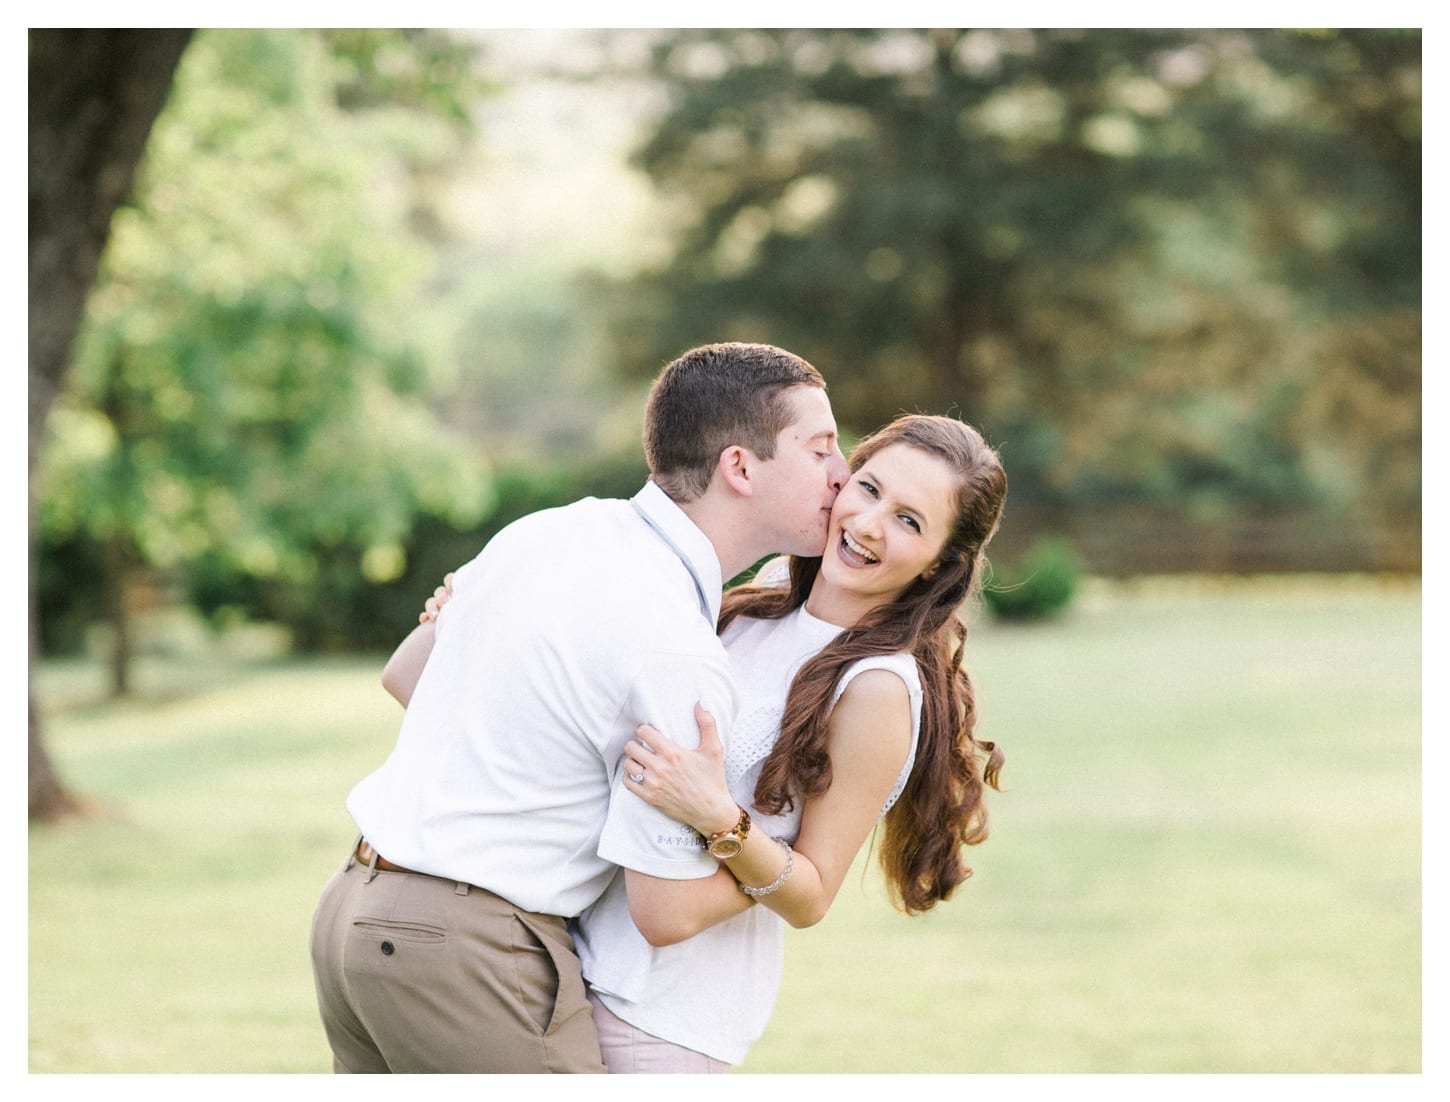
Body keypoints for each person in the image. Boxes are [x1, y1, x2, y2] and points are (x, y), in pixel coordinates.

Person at [308, 342, 849, 1073]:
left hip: (352, 913)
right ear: (741, 468)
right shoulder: (678, 647)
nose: (842, 475)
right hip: (466, 952)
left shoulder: (547, 530)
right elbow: (664, 909)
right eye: (820, 450)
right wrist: (771, 851)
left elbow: (408, 672)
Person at [412, 413, 1008, 1071]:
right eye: (869, 489)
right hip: (567, 962)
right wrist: (477, 625)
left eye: (910, 522)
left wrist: (718, 818)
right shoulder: (758, 601)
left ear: (937, 567)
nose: (869, 524)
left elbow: (811, 893)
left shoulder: (876, 688)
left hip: (665, 1018)